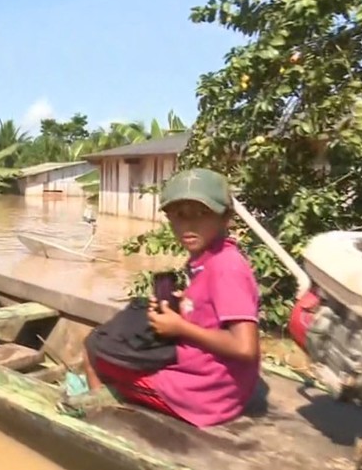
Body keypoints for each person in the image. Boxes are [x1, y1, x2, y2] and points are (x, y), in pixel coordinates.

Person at [58, 168, 261, 429]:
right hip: (210, 381)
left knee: (92, 352)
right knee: (110, 342)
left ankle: (105, 425)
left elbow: (245, 347)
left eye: (201, 214)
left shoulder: (227, 267)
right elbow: (211, 313)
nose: (188, 225)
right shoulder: (208, 259)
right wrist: (179, 307)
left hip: (202, 395)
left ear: (227, 219)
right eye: (179, 215)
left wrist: (180, 327)